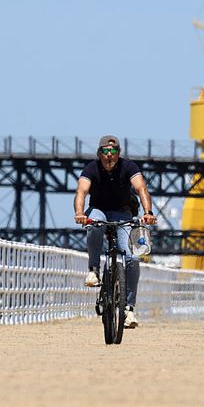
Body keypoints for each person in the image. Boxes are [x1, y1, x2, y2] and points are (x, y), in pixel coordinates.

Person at [73, 135, 157, 328]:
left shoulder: (129, 167)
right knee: (94, 225)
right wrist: (79, 213)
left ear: (119, 153)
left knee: (133, 258)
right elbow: (81, 192)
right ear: (99, 153)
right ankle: (93, 270)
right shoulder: (91, 168)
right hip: (99, 210)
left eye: (113, 151)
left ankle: (129, 309)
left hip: (122, 212)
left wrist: (148, 212)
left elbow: (141, 188)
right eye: (105, 151)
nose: (109, 155)